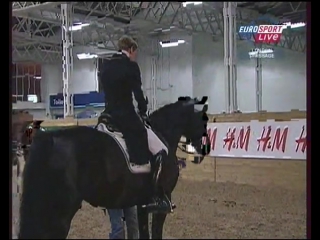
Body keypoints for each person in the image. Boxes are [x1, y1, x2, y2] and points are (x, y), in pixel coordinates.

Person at [99, 35, 173, 213]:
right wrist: (143, 109)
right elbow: (138, 94)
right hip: (125, 115)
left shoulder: (105, 66)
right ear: (131, 50)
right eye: (135, 53)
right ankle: (157, 196)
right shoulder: (130, 66)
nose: (135, 56)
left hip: (107, 115)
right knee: (160, 150)